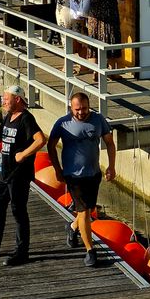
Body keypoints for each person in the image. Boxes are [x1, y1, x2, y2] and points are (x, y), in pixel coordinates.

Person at [0, 90, 44, 265]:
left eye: (6, 99)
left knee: (18, 211)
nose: (3, 101)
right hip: (5, 173)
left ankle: (22, 252)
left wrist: (23, 154)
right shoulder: (8, 117)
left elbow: (40, 140)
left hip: (19, 174)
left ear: (17, 99)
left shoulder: (26, 118)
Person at [48, 91, 118, 267]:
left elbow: (109, 143)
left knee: (88, 209)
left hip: (93, 174)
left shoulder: (98, 120)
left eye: (84, 108)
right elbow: (50, 145)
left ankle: (72, 228)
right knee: (85, 212)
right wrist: (58, 169)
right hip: (74, 176)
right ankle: (90, 251)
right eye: (77, 109)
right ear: (71, 108)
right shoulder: (62, 123)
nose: (81, 112)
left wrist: (111, 166)